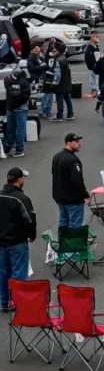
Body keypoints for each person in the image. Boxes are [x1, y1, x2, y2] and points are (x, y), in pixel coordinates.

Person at [0, 167, 36, 312]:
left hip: (1, 243)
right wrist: (31, 235)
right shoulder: (22, 198)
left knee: (3, 273)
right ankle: (17, 301)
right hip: (18, 242)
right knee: (18, 273)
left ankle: (4, 301)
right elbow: (30, 220)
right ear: (20, 180)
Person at [51, 133, 89, 229]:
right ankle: (73, 243)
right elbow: (77, 180)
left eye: (79, 141)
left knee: (63, 222)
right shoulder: (73, 160)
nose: (79, 144)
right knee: (75, 225)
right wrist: (85, 195)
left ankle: (62, 242)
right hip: (73, 200)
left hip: (60, 198)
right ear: (68, 143)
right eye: (76, 142)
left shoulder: (57, 156)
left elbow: (54, 174)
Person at [3, 65, 31, 158]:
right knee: (12, 129)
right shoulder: (10, 80)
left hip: (19, 107)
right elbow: (7, 84)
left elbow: (24, 96)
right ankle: (9, 146)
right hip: (13, 107)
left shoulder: (23, 83)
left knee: (19, 129)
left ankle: (19, 149)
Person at [50, 43, 74, 122]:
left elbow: (57, 73)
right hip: (66, 82)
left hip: (59, 84)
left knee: (59, 100)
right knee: (67, 99)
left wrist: (54, 83)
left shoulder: (57, 60)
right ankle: (70, 114)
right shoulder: (65, 58)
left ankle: (59, 116)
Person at [84, 31, 101, 96]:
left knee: (97, 79)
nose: (97, 38)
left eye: (97, 36)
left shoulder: (96, 47)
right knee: (93, 79)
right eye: (95, 36)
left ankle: (97, 90)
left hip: (97, 67)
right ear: (91, 38)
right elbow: (88, 58)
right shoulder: (90, 48)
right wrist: (92, 66)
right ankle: (94, 90)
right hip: (93, 67)